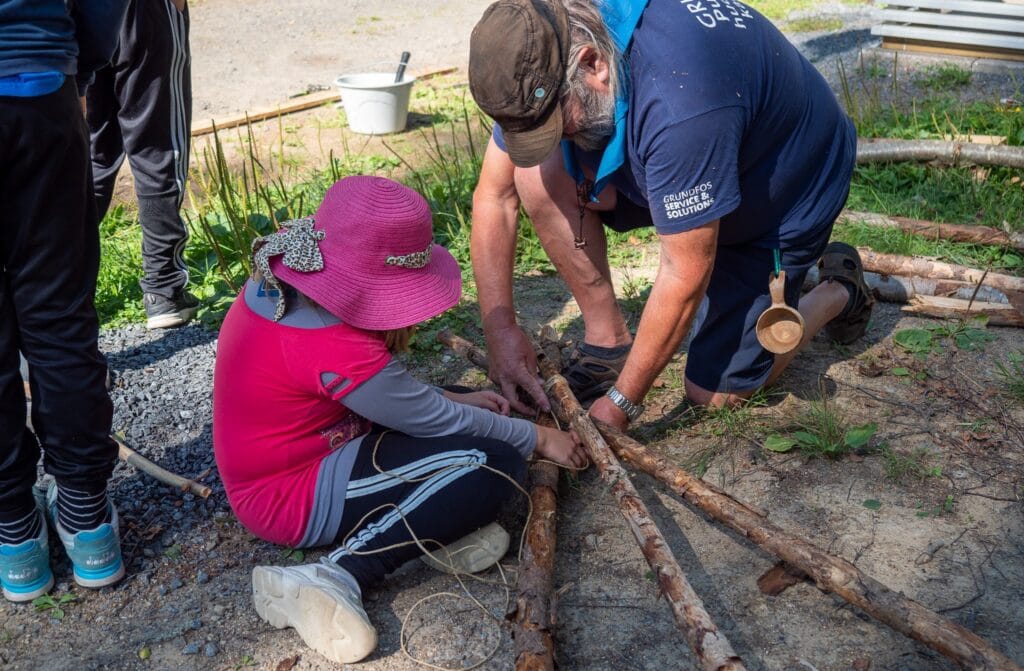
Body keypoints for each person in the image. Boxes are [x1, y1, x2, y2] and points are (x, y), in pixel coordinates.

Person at [212, 176, 585, 664]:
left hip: (324, 442)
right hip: (290, 494)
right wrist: (537, 436)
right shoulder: (334, 346)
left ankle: (426, 528)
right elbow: (423, 415)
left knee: (462, 421)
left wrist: (451, 399)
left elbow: (374, 393)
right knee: (490, 463)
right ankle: (335, 574)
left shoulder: (285, 283)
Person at [467, 0, 873, 429]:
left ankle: (837, 290)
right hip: (696, 152)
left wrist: (620, 405)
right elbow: (495, 196)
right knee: (535, 172)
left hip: (783, 192)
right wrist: (501, 334)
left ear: (593, 64)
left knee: (716, 393)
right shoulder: (545, 51)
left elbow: (684, 270)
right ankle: (608, 343)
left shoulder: (680, 104)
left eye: (552, 123)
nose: (546, 136)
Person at [0, 0, 131, 603]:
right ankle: (86, 523)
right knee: (57, 315)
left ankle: (15, 536)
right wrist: (79, 65)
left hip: (42, 72)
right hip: (40, 85)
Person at [86, 0, 198, 330]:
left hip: (75, 13)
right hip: (142, 13)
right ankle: (163, 289)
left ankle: (67, 294)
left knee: (90, 156)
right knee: (159, 149)